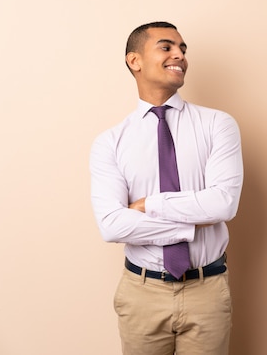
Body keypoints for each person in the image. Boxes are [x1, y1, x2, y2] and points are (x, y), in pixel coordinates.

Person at [90, 21, 243, 355]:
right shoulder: (110, 143)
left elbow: (223, 205)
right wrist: (192, 221)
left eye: (183, 49)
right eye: (167, 47)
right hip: (141, 293)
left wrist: (147, 205)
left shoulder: (218, 125)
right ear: (135, 61)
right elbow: (112, 225)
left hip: (208, 290)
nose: (180, 55)